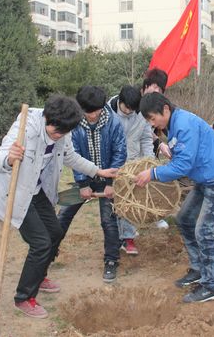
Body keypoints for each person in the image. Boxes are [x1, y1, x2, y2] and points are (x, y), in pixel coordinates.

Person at [0, 95, 118, 319]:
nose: (59, 137)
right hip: (15, 193)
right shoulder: (25, 127)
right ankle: (24, 297)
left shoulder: (63, 130)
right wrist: (9, 159)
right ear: (46, 118)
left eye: (64, 133)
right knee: (41, 243)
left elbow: (71, 157)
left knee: (55, 232)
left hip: (36, 191)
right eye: (56, 132)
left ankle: (39, 274)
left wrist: (98, 171)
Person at [133, 92, 214, 303]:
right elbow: (184, 157)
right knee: (184, 219)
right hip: (204, 177)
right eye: (149, 121)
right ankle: (199, 268)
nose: (153, 124)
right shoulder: (174, 123)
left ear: (165, 109)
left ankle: (210, 285)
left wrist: (152, 174)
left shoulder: (183, 124)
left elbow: (183, 166)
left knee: (203, 230)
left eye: (153, 118)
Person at [57, 86, 127, 283]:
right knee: (63, 215)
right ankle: (48, 252)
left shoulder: (113, 122)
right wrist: (82, 183)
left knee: (108, 220)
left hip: (107, 180)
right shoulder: (74, 123)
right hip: (85, 178)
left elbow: (120, 152)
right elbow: (73, 153)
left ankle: (111, 261)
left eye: (96, 110)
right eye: (88, 111)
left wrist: (111, 182)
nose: (92, 115)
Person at [108, 85, 154, 255]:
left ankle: (128, 239)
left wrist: (149, 161)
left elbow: (146, 138)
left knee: (129, 200)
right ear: (120, 101)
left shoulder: (141, 114)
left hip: (133, 163)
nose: (128, 112)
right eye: (126, 108)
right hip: (112, 164)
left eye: (132, 109)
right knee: (113, 202)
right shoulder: (107, 113)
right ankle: (114, 237)